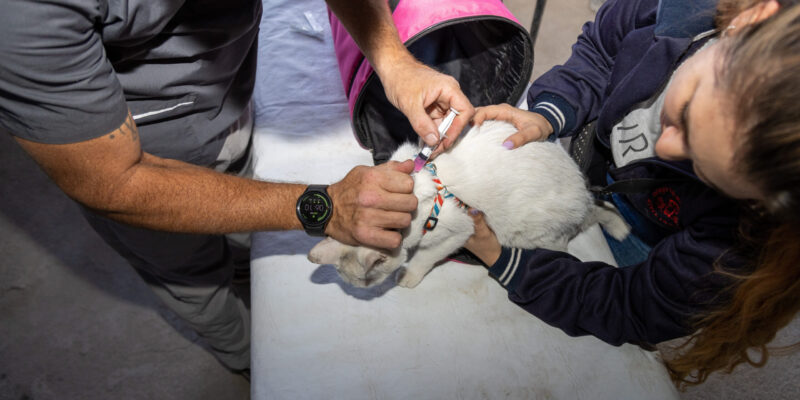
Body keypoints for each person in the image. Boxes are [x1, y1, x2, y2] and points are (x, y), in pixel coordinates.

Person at [0, 0, 474, 377]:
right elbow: (111, 182)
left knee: (251, 234)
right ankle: (245, 355)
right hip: (142, 167)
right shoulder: (24, 15)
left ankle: (246, 273)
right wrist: (321, 206)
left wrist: (393, 60)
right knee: (194, 281)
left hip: (228, 109)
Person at [465, 0, 800, 387]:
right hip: (589, 163)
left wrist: (507, 261)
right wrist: (550, 112)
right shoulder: (673, 13)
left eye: (705, 174)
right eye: (687, 113)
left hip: (645, 238)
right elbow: (601, 49)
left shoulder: (739, 246)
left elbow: (629, 304)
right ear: (746, 23)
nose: (668, 150)